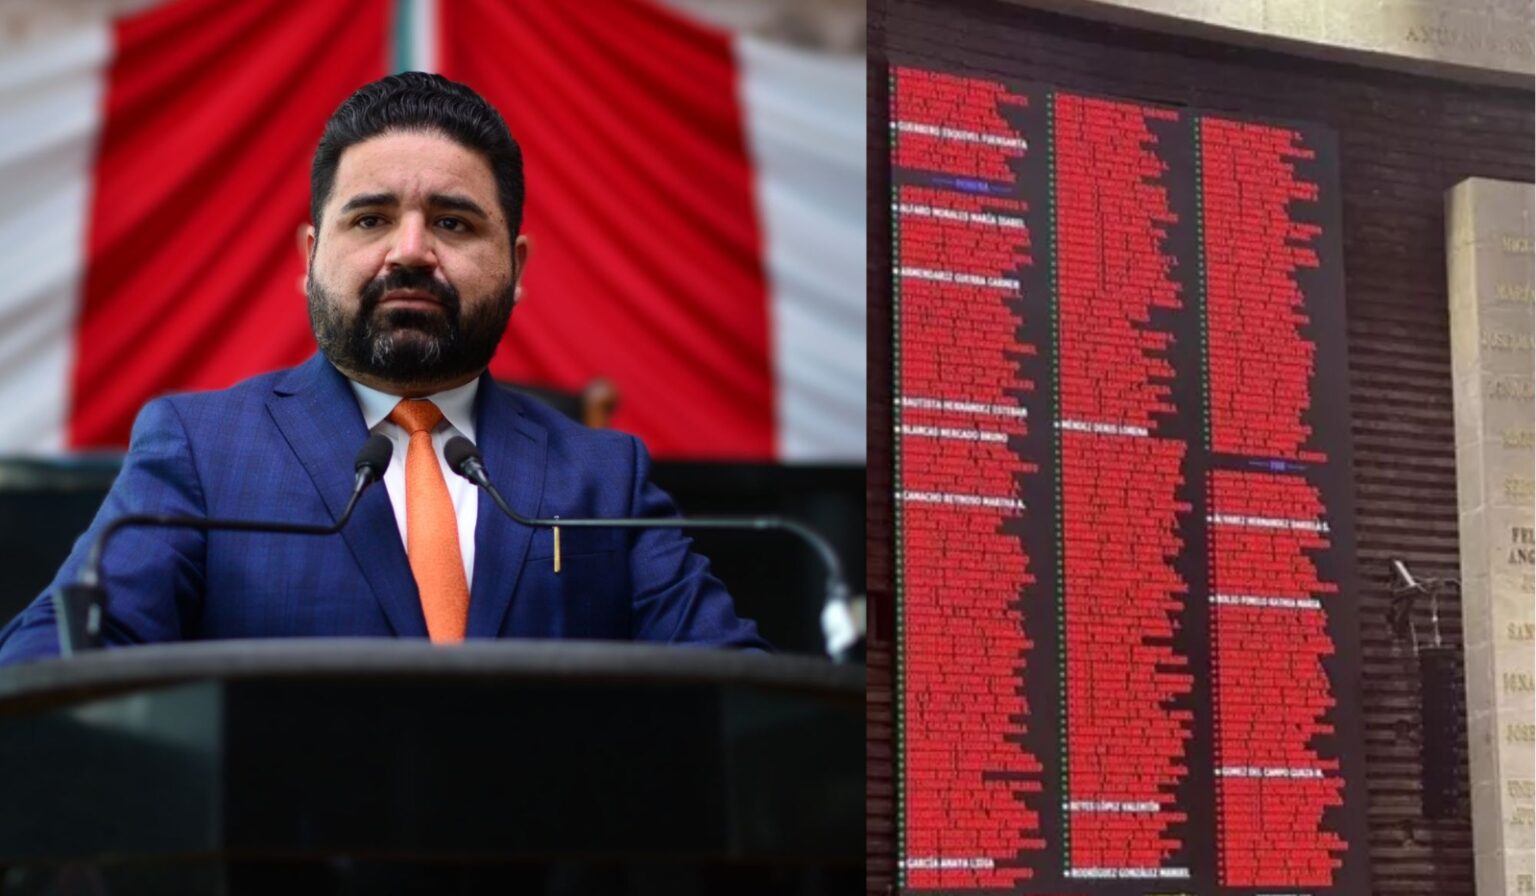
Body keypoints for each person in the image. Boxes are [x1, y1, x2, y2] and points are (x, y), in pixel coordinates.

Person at [0, 73, 767, 664]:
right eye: (371, 219)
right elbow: (52, 664)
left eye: (452, 223)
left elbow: (735, 687)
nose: (410, 251)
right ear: (310, 257)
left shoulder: (605, 475)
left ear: (516, 267)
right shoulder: (202, 449)